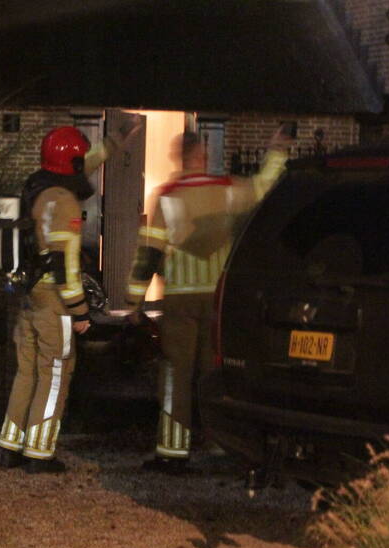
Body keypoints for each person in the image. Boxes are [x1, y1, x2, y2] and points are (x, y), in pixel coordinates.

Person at [124, 125, 290, 473]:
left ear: (179, 158)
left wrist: (134, 301)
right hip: (217, 300)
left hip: (180, 300)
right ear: (203, 155)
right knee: (214, 374)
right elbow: (263, 186)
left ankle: (172, 451)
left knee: (175, 373)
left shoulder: (167, 197)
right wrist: (276, 151)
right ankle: (219, 444)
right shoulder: (226, 189)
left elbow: (149, 253)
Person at [0, 121, 138, 474]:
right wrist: (80, 312)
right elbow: (66, 266)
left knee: (26, 372)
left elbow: (83, 163)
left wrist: (116, 140)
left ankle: (10, 447)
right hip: (54, 299)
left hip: (28, 295)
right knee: (55, 373)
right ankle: (39, 453)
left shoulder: (36, 188)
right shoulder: (64, 203)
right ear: (72, 163)